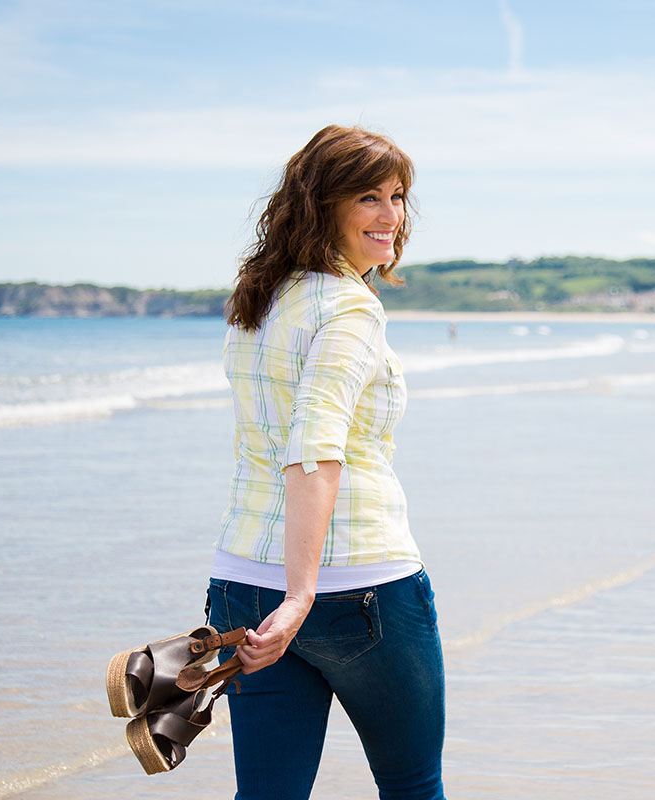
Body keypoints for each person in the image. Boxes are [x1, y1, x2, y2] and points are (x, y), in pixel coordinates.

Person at [206, 125, 445, 800]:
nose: (392, 216)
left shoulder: (259, 297)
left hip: (241, 583)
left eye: (398, 196)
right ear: (322, 204)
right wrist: (302, 595)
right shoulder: (348, 309)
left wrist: (282, 596)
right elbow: (315, 448)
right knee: (413, 787)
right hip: (356, 587)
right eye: (369, 197)